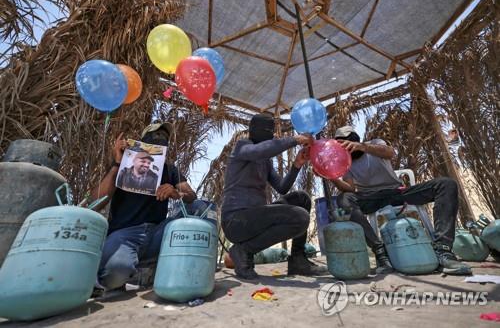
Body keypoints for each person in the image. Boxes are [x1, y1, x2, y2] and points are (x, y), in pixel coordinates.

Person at [331, 125, 471, 275]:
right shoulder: (346, 163)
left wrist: (363, 147)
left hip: (397, 192)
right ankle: (380, 252)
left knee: (446, 184)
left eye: (346, 142)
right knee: (344, 199)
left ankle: (443, 251)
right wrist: (332, 177)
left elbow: (390, 153)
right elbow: (350, 188)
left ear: (353, 139)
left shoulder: (375, 143)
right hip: (371, 198)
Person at [90, 123, 210, 291]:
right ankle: (127, 266)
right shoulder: (124, 165)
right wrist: (117, 164)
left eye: (164, 137)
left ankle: (170, 265)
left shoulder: (170, 170)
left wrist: (176, 193)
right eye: (155, 135)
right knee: (113, 276)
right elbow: (96, 202)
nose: (161, 139)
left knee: (199, 207)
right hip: (125, 235)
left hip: (158, 233)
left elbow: (191, 196)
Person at [221, 113, 325, 279]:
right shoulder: (242, 147)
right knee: (300, 217)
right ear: (254, 131)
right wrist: (294, 140)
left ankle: (298, 260)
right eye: (268, 131)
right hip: (236, 221)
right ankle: (243, 250)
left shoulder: (265, 161)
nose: (271, 135)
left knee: (302, 199)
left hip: (256, 217)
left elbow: (282, 188)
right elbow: (259, 151)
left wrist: (296, 165)